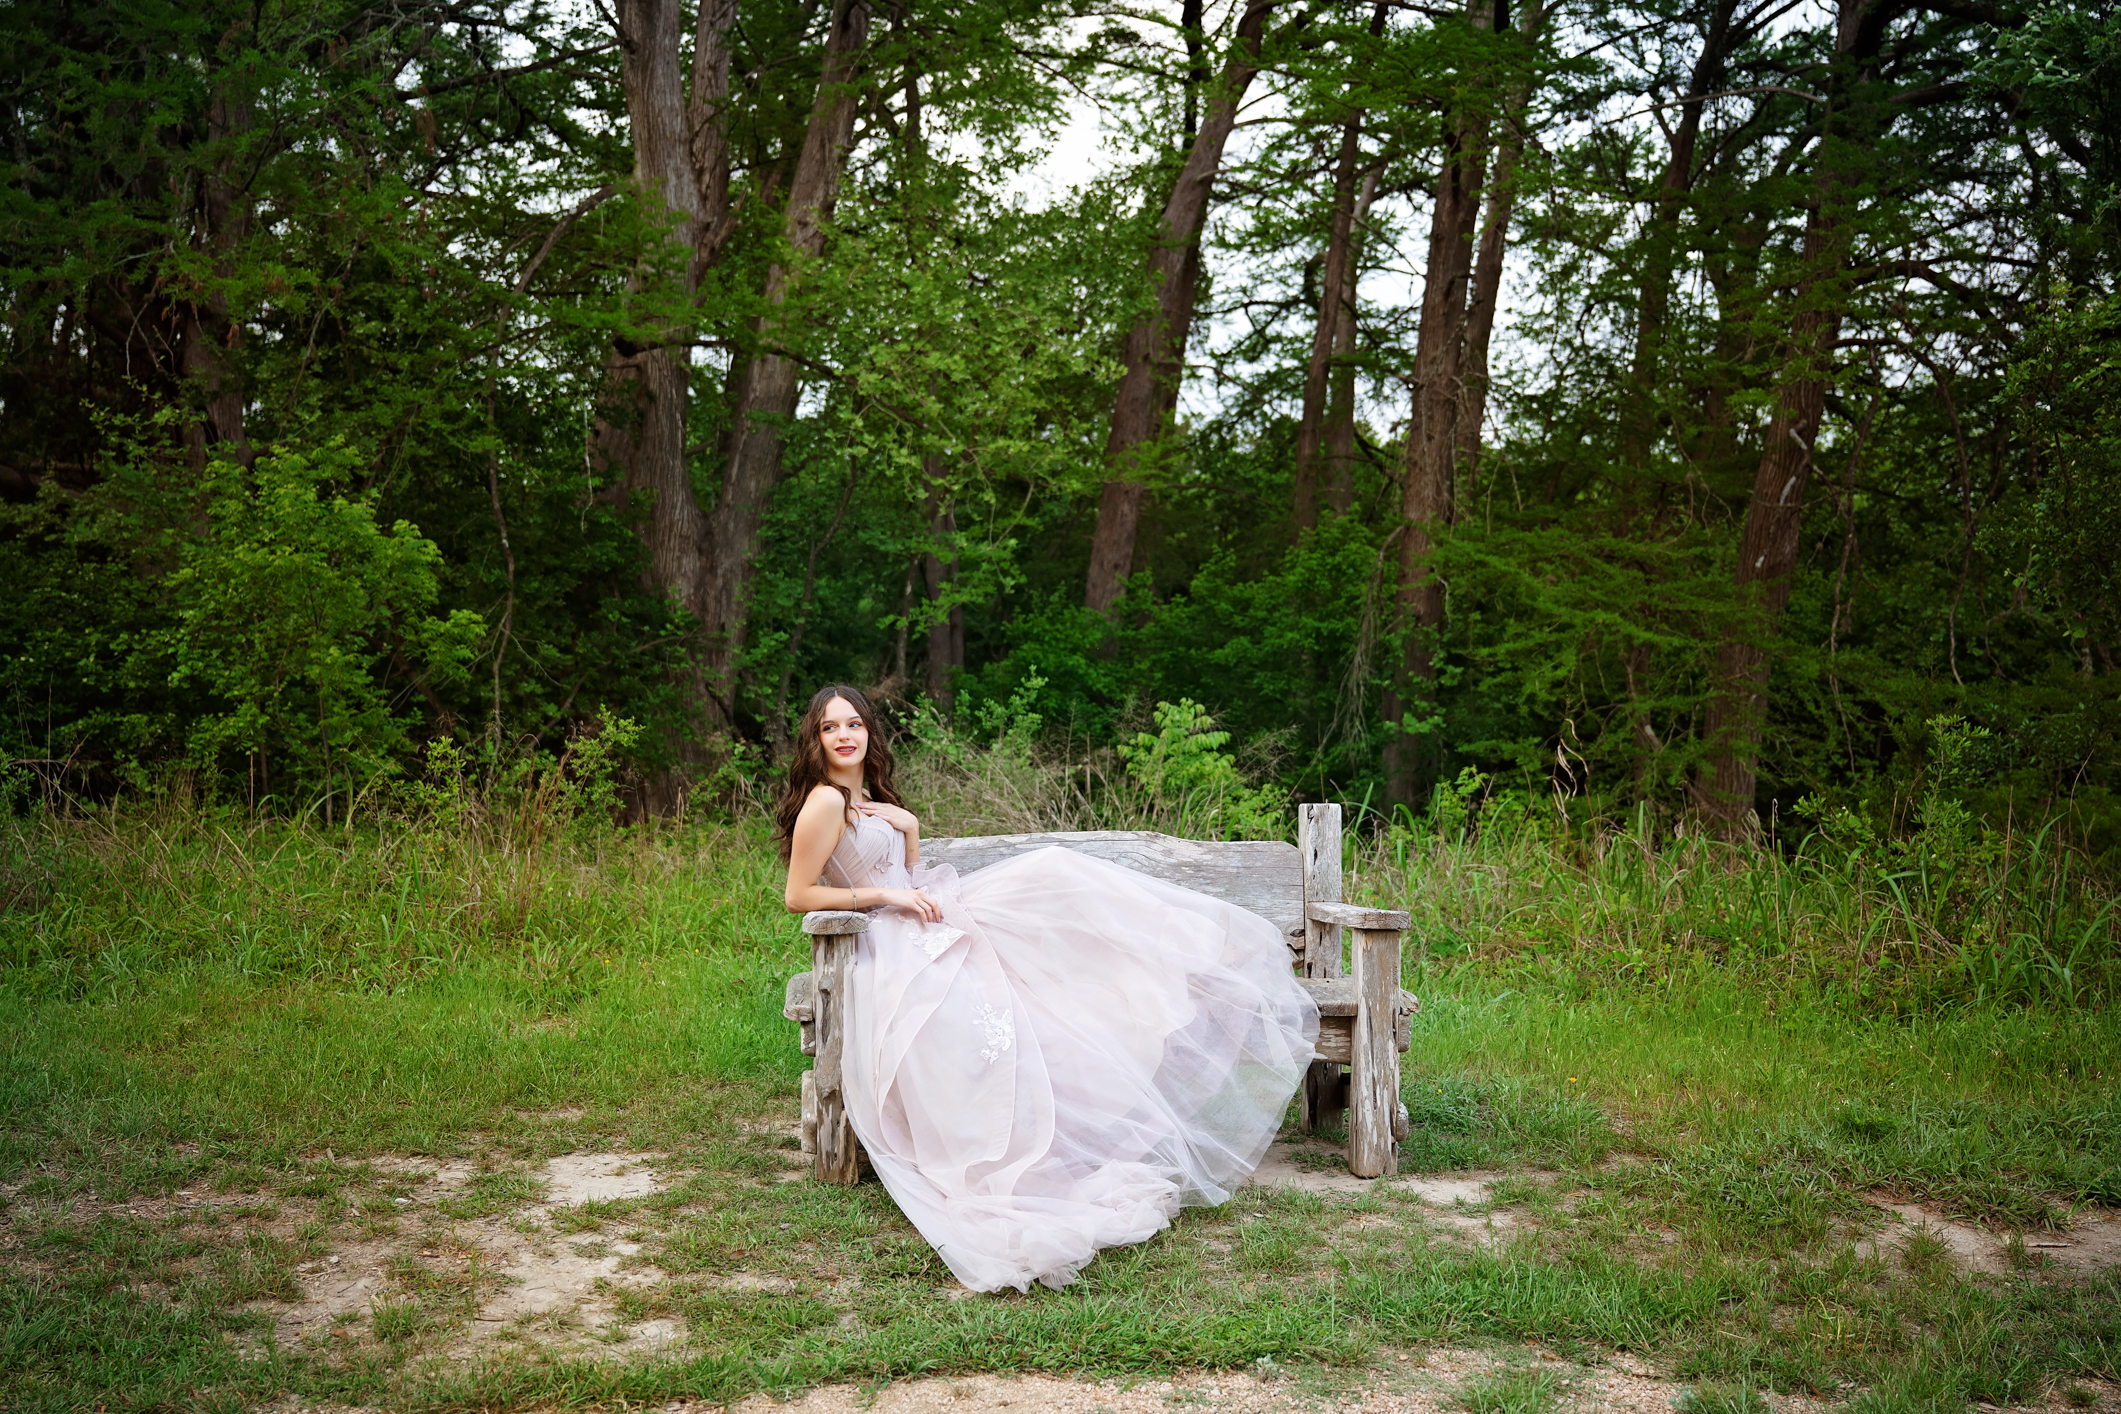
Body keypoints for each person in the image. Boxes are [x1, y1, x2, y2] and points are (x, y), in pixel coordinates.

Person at [777, 683, 1318, 1293]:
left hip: (922, 922)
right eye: (830, 728)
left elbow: (911, 876)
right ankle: (1003, 1149)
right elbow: (800, 895)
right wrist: (886, 894)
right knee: (1035, 904)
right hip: (886, 944)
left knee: (1058, 927)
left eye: (854, 723)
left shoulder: (869, 799)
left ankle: (1172, 979)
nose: (845, 735)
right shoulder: (824, 803)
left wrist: (909, 829)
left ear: (870, 732)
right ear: (815, 741)